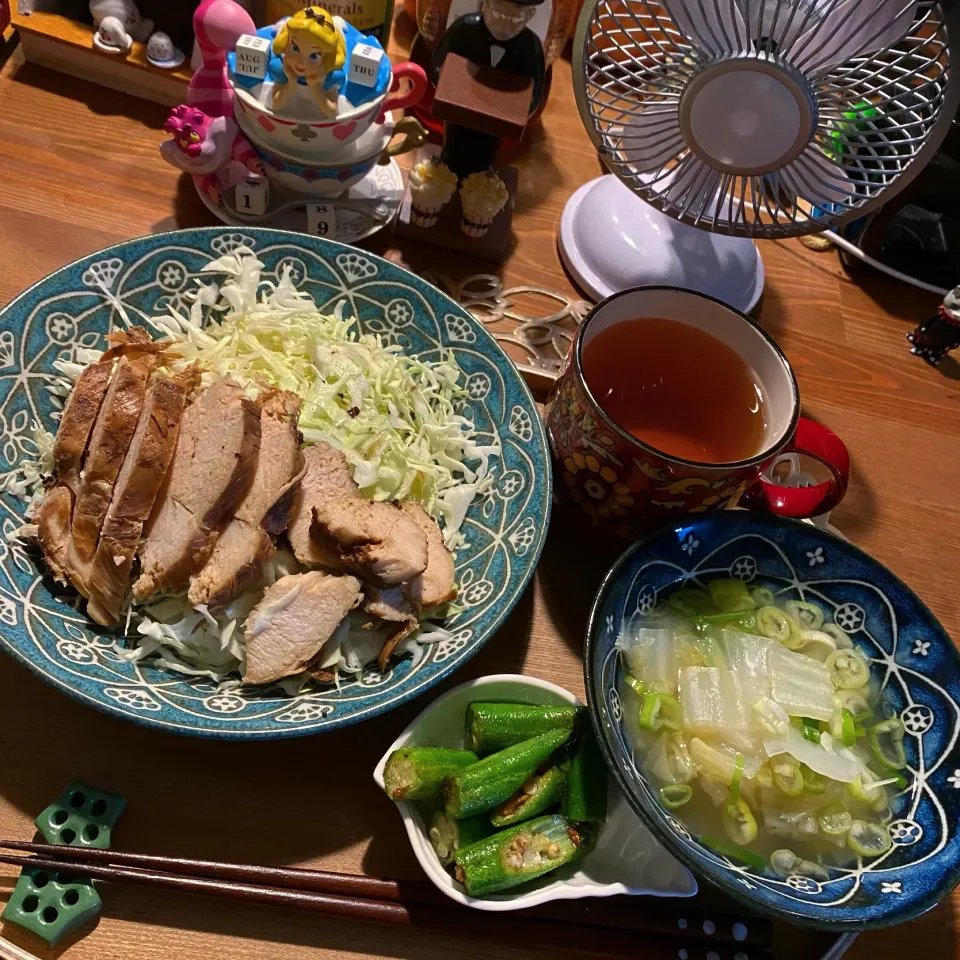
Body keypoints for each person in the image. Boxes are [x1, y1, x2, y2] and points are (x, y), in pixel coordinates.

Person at [429, 0, 546, 178]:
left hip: (497, 119)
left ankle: (480, 181)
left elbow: (535, 91)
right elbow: (438, 63)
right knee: (454, 141)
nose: (505, 25)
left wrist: (516, 112)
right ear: (484, 5)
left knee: (487, 148)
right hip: (459, 110)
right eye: (498, 15)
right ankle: (446, 170)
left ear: (530, 16)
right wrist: (447, 91)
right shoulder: (464, 29)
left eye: (515, 20)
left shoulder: (530, 46)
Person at [271, 7, 346, 116]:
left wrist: (315, 87)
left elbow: (332, 112)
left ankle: (338, 23)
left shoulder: (328, 76)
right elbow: (275, 104)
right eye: (295, 49)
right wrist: (291, 82)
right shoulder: (283, 68)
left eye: (314, 56)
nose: (301, 63)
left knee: (338, 26)